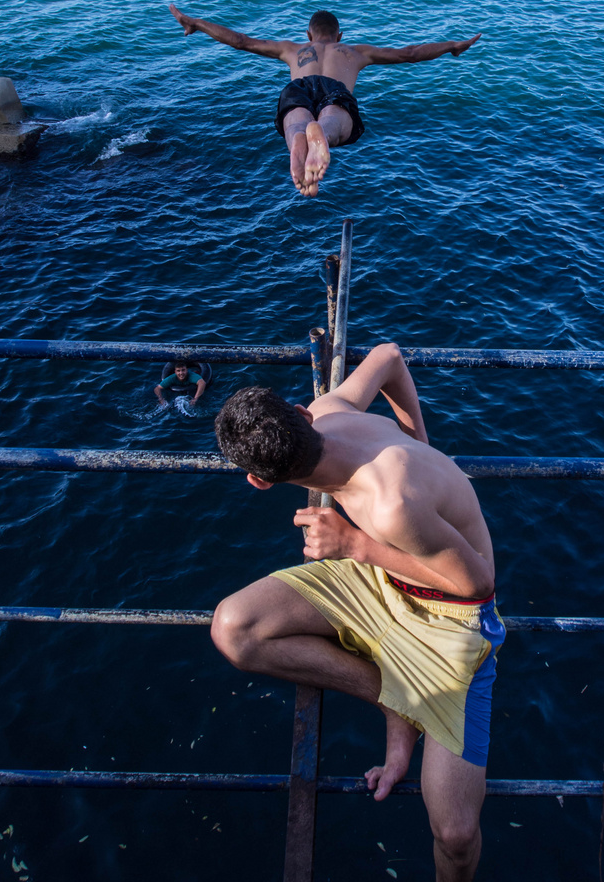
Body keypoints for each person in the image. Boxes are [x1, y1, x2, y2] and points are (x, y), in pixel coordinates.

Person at [211, 343, 503, 882]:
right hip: (383, 580)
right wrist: (419, 439)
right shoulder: (329, 410)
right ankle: (397, 703)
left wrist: (355, 546)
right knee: (235, 628)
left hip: (451, 615)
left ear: (260, 481)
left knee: (456, 836)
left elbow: (479, 582)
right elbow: (389, 356)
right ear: (303, 412)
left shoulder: (390, 505)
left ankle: (410, 704)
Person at [169, 5, 481, 198]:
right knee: (334, 121)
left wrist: (196, 23)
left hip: (299, 86)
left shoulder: (291, 50)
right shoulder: (355, 52)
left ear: (308, 34)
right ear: (339, 35)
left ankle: (298, 144)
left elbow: (240, 41)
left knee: (295, 122)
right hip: (335, 87)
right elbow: (411, 53)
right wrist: (451, 46)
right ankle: (324, 134)